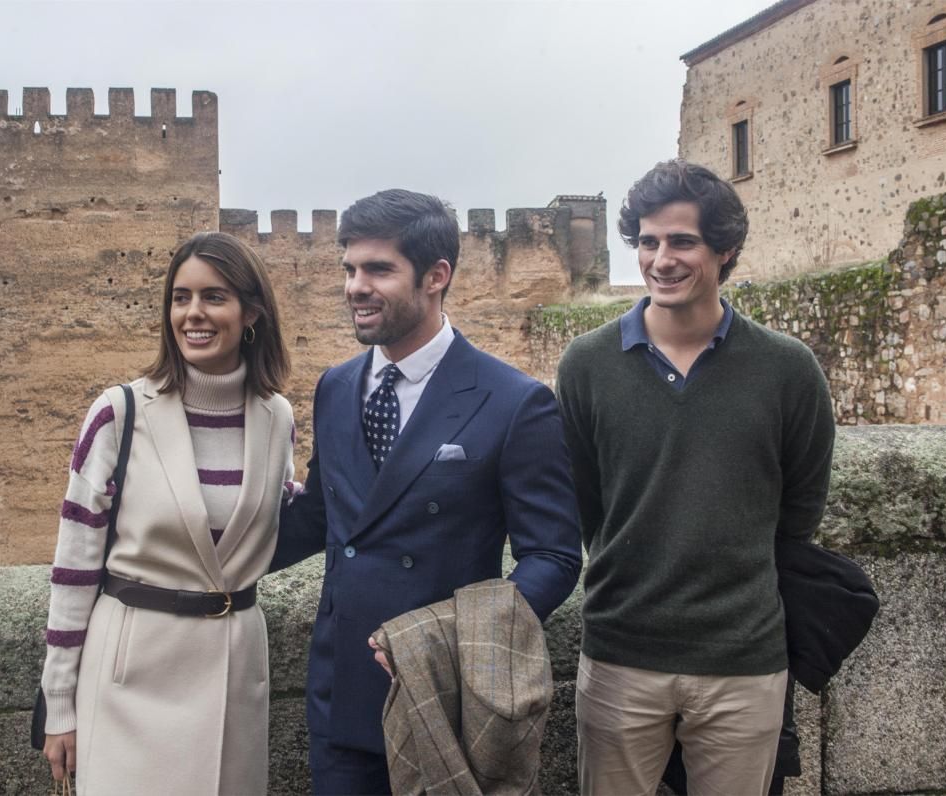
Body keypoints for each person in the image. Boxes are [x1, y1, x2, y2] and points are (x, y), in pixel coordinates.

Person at [271, 188, 583, 794]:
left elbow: (553, 557)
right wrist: (195, 554)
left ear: (436, 276)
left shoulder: (514, 401)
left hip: (445, 699)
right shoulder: (336, 386)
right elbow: (321, 516)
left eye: (379, 269)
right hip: (341, 695)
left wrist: (448, 639)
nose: (356, 286)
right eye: (350, 269)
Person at [556, 159, 836, 795]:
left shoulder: (788, 370)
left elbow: (798, 513)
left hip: (742, 658)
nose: (661, 260)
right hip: (620, 651)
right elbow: (588, 503)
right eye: (648, 242)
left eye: (682, 241)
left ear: (725, 249)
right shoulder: (587, 364)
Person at [39, 232, 294, 795]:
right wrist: (60, 702)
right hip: (132, 677)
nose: (193, 314)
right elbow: (75, 565)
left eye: (213, 297)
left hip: (234, 673)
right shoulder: (118, 413)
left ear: (251, 312)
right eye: (181, 298)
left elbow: (274, 520)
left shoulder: (278, 418)